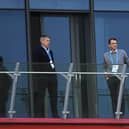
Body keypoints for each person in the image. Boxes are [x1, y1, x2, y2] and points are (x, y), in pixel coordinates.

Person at [32, 35, 58, 118]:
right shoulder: (37, 51)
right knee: (40, 95)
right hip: (42, 76)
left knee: (54, 95)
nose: (49, 42)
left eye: (49, 40)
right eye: (47, 40)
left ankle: (55, 114)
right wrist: (39, 74)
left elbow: (52, 63)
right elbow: (35, 64)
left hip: (52, 76)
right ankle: (38, 115)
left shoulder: (50, 51)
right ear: (42, 41)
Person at [103, 37, 129, 117]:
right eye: (113, 43)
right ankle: (115, 114)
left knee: (120, 95)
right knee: (113, 96)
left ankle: (121, 114)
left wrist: (124, 72)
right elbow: (104, 67)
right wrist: (106, 76)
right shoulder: (106, 55)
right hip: (111, 78)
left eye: (116, 43)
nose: (115, 45)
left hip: (120, 77)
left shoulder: (122, 52)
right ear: (109, 45)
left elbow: (127, 62)